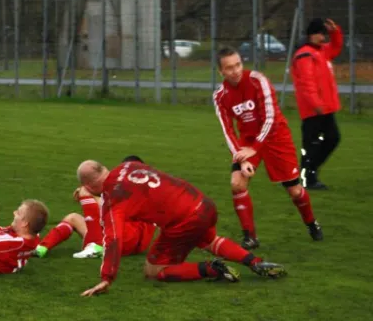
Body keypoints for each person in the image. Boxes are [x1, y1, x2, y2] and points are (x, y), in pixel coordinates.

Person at [77, 160, 287, 297]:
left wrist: (107, 277)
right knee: (209, 240)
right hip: (203, 203)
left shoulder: (114, 198)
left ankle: (213, 268)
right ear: (104, 168)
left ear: (89, 187)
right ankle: (255, 262)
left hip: (184, 220)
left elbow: (113, 239)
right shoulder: (130, 165)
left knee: (153, 270)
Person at [212, 47, 323, 249]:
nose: (236, 70)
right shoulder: (220, 96)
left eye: (238, 64)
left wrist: (255, 148)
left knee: (295, 191)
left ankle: (311, 223)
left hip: (276, 137)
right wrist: (243, 157)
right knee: (237, 183)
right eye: (229, 68)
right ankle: (250, 237)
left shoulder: (258, 81)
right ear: (221, 72)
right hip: (248, 141)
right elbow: (228, 131)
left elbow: (270, 118)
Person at [34, 155, 155, 259]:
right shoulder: (144, 187)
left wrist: (89, 196)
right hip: (127, 238)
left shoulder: (134, 189)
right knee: (73, 218)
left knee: (86, 195)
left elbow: (111, 209)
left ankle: (96, 246)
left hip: (126, 241)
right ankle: (40, 248)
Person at [291, 18, 343, 190]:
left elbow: (335, 48)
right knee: (312, 144)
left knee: (332, 138)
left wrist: (335, 32)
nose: (323, 38)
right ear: (311, 35)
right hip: (314, 110)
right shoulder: (305, 55)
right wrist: (316, 104)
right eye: (320, 34)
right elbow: (307, 83)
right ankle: (307, 177)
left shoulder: (321, 52)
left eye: (324, 34)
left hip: (325, 108)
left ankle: (309, 171)